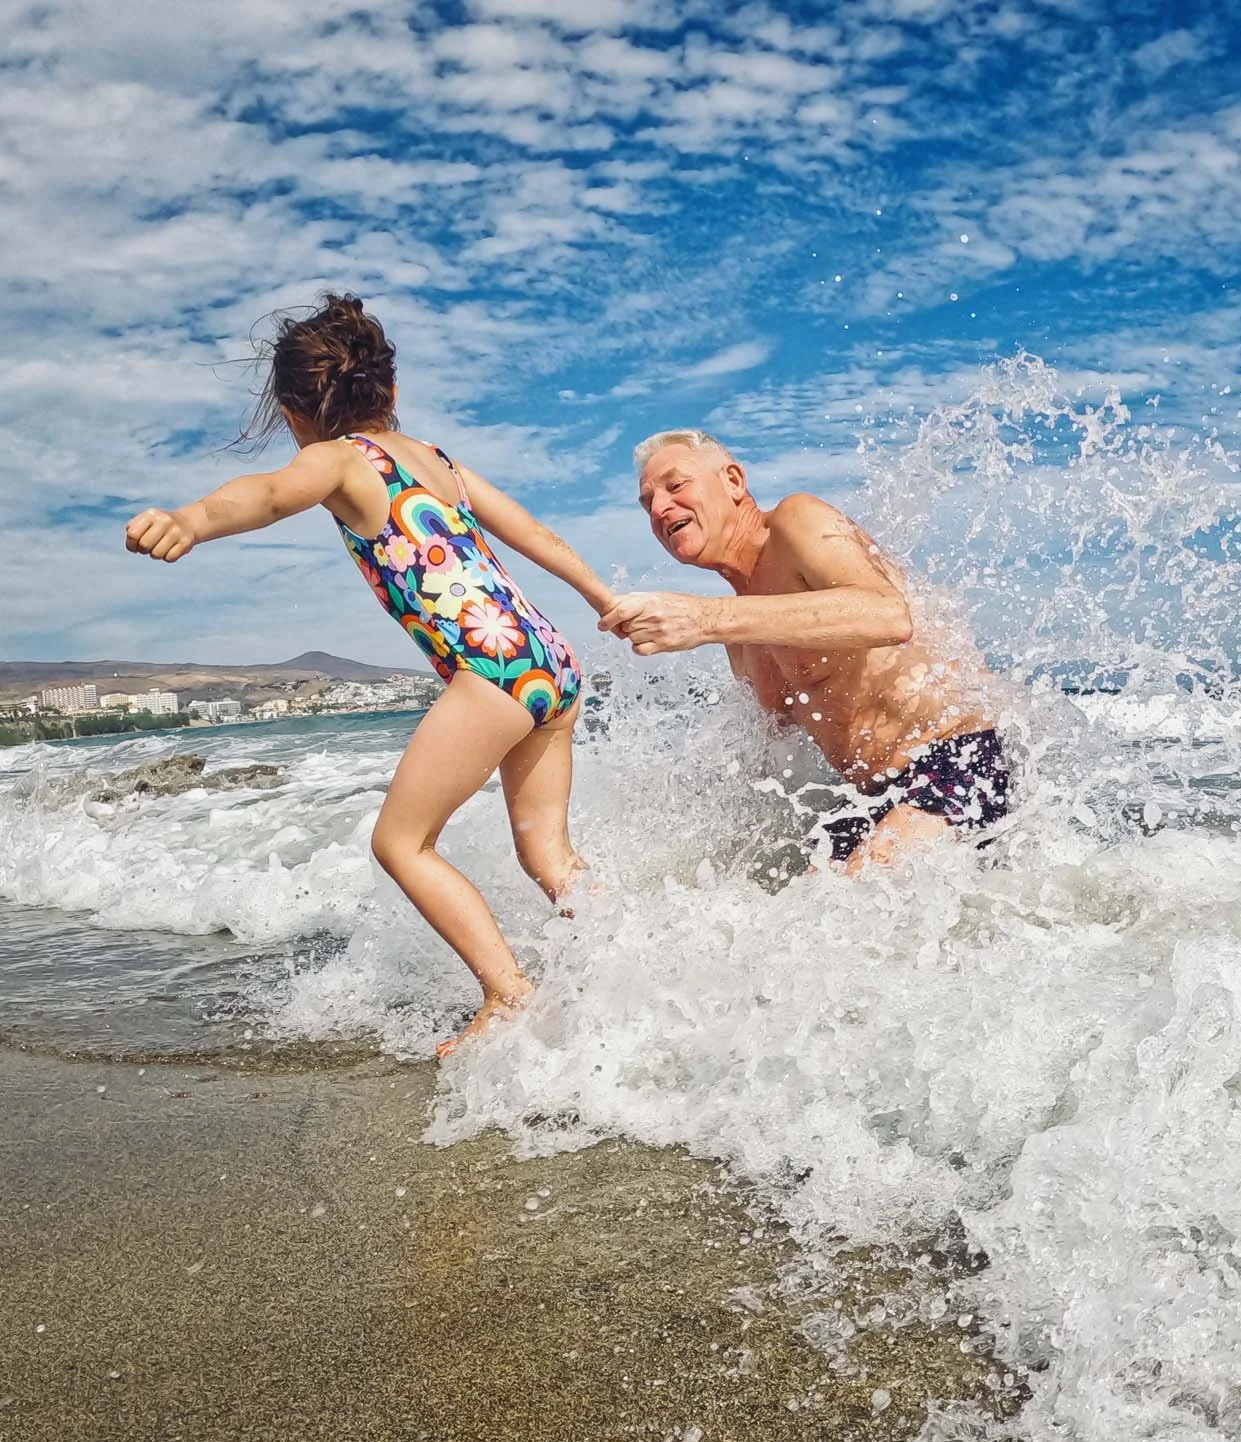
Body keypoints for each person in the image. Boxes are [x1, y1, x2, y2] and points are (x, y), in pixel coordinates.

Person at [124, 294, 614, 1056]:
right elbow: (535, 531)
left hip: (492, 669)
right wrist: (605, 599)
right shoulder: (438, 461)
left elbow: (265, 495)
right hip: (552, 659)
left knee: (401, 844)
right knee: (547, 853)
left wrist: (192, 519)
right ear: (388, 389)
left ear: (294, 411)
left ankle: (510, 994)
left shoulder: (339, 460)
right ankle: (633, 956)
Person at [599, 429, 1012, 867]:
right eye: (648, 504)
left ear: (734, 482)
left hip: (958, 759)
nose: (661, 508)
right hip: (871, 798)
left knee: (857, 892)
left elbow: (888, 615)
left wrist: (704, 620)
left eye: (676, 485)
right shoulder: (741, 627)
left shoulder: (796, 521)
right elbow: (766, 744)